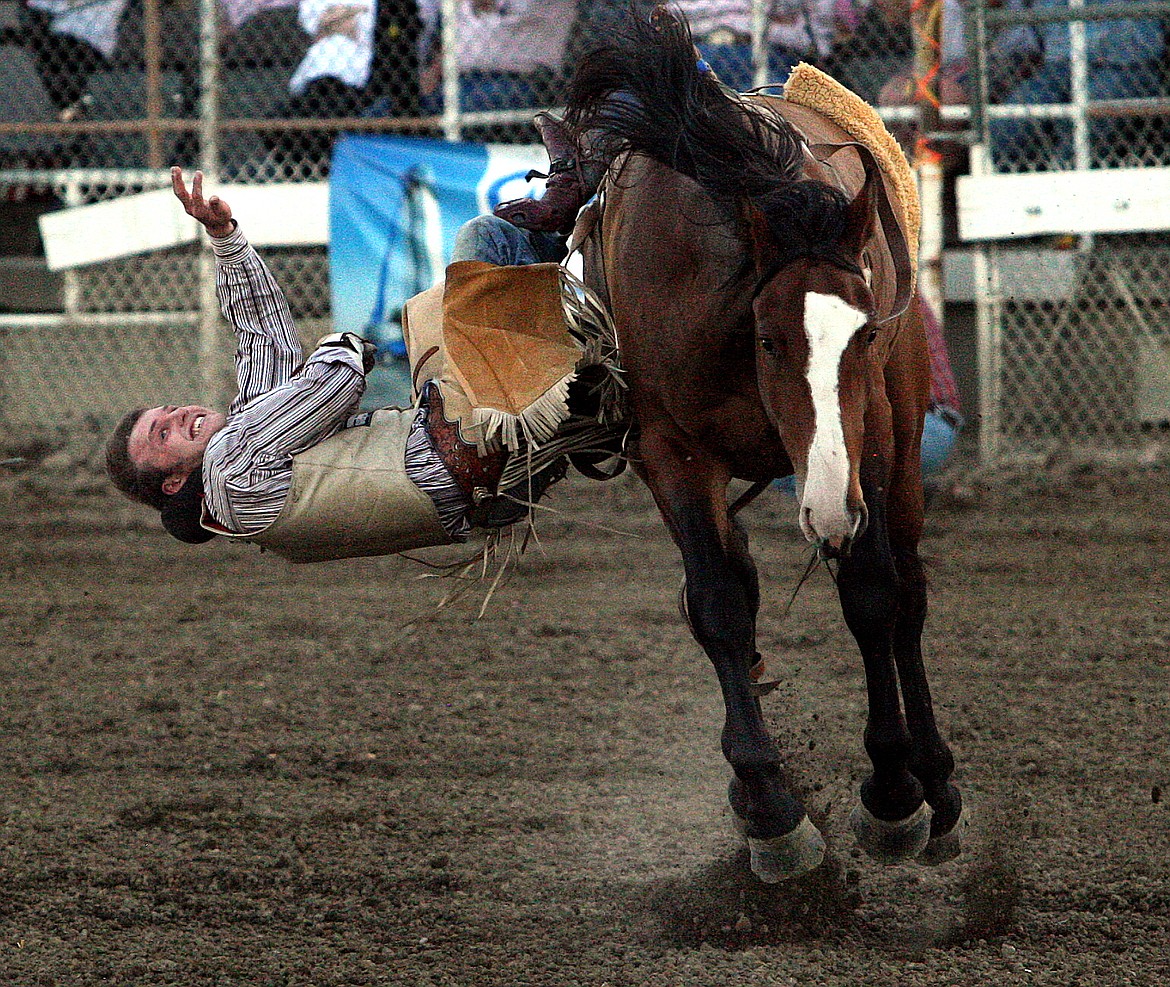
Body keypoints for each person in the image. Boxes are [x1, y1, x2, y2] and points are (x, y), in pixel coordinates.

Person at [105, 167, 563, 562]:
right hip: (468, 439)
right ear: (175, 484)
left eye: (168, 410)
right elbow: (336, 385)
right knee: (481, 241)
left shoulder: (237, 495)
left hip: (472, 478)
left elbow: (266, 338)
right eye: (162, 434)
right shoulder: (228, 467)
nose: (179, 415)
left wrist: (226, 240)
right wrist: (345, 344)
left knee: (442, 305)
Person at [989, 0, 1166, 170]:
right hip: (1061, 64)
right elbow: (1042, 24)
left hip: (1128, 62)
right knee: (1007, 124)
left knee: (1083, 124)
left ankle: (1062, 185)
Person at [415, 0, 577, 113]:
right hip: (454, 79)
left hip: (520, 78)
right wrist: (432, 74)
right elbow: (450, 35)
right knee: (400, 105)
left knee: (480, 98)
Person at [673, 0, 838, 93]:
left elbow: (815, 37)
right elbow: (674, 11)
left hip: (773, 57)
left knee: (772, 101)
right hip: (702, 50)